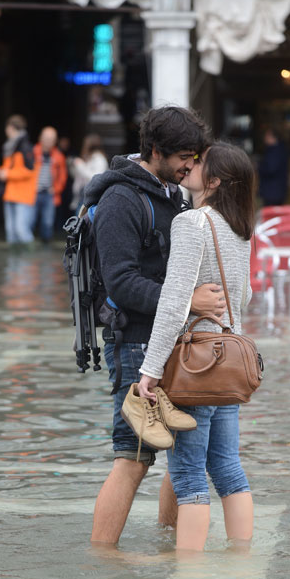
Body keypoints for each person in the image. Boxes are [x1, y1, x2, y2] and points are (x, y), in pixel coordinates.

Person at [85, 106, 227, 545]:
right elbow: (121, 282)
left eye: (195, 155)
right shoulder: (121, 200)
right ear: (155, 151)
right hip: (135, 344)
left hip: (174, 340)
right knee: (134, 456)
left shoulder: (173, 194)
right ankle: (104, 563)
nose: (191, 164)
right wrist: (189, 301)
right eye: (185, 155)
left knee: (186, 453)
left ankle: (169, 545)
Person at [138, 141, 255, 552]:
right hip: (229, 360)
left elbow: (173, 304)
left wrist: (149, 370)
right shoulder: (240, 227)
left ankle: (189, 577)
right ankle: (242, 558)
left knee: (188, 474)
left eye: (199, 162)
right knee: (227, 468)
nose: (190, 164)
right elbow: (244, 297)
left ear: (215, 180)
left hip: (194, 362)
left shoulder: (193, 224)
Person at [0, 115, 36, 246]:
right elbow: (9, 168)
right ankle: (14, 265)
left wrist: (7, 174)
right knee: (11, 232)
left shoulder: (24, 146)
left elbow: (29, 170)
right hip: (10, 193)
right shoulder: (11, 147)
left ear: (11, 128)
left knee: (21, 230)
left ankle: (30, 260)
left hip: (22, 196)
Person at [33, 127, 67, 243]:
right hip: (33, 193)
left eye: (51, 139)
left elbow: (63, 176)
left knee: (47, 223)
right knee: (30, 221)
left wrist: (56, 189)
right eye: (46, 138)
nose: (48, 141)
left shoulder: (58, 156)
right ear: (40, 138)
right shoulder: (32, 152)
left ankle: (45, 247)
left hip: (49, 194)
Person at [70, 134, 109, 212]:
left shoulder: (99, 159)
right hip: (83, 197)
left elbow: (96, 178)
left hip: (91, 199)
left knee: (81, 222)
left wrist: (80, 165)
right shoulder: (90, 158)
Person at [258, 126, 289, 206]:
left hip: (273, 191)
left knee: (272, 214)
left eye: (267, 135)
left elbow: (270, 169)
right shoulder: (279, 149)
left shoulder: (275, 151)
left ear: (273, 137)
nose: (264, 138)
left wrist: (259, 167)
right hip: (276, 190)